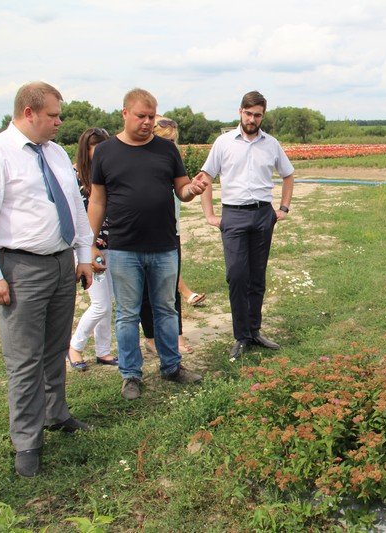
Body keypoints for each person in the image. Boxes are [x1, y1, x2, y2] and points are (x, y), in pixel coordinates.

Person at [0, 81, 95, 477]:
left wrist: (83, 256)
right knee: (24, 360)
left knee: (54, 349)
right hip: (20, 268)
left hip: (61, 264)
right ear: (29, 113)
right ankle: (27, 442)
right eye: (53, 115)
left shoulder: (55, 153)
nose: (59, 122)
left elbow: (74, 206)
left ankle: (56, 414)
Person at [87, 88, 207, 400]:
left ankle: (172, 366)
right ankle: (130, 375)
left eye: (151, 116)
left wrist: (193, 189)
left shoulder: (166, 150)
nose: (147, 122)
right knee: (127, 314)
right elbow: (97, 201)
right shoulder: (106, 152)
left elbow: (182, 189)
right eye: (141, 116)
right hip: (123, 249)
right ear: (125, 113)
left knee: (166, 309)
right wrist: (91, 244)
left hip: (164, 246)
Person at [196, 91, 295, 361]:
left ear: (263, 116)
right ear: (240, 111)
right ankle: (241, 336)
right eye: (248, 113)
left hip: (263, 214)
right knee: (237, 275)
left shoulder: (271, 144)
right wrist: (209, 214)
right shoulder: (224, 142)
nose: (252, 119)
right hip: (234, 215)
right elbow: (205, 177)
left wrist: (283, 208)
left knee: (257, 276)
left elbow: (288, 175)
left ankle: (254, 331)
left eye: (257, 115)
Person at [140, 116, 200, 355]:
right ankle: (151, 338)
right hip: (141, 234)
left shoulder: (173, 161)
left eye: (174, 140)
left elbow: (183, 192)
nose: (171, 144)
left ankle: (177, 335)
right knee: (145, 291)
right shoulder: (141, 159)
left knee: (171, 288)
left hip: (170, 232)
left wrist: (192, 189)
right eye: (166, 139)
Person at [68, 128, 118, 370]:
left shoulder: (106, 172)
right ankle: (74, 347)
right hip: (88, 248)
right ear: (85, 151)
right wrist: (88, 247)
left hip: (111, 244)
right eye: (95, 150)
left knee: (109, 301)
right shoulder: (73, 176)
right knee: (100, 304)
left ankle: (103, 351)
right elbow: (76, 216)